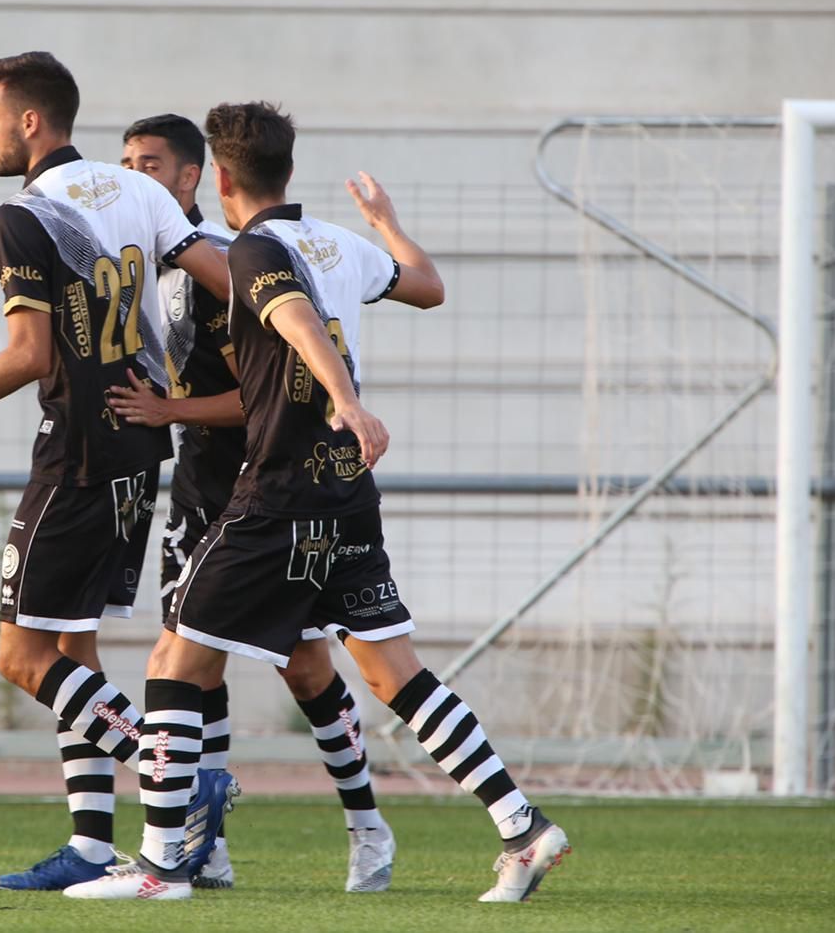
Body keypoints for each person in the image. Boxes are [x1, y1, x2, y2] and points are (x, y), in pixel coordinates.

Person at [67, 102, 568, 904]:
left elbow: (294, 317)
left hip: (281, 491)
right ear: (288, 171)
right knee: (392, 671)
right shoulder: (339, 240)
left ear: (219, 179)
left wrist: (346, 399)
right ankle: (523, 825)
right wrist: (389, 222)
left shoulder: (254, 248)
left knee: (174, 661)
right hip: (347, 494)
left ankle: (162, 868)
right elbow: (429, 288)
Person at [0, 52, 249, 891]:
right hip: (137, 454)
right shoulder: (140, 191)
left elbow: (28, 354)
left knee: (20, 654)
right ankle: (88, 845)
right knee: (74, 647)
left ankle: (174, 780)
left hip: (75, 455)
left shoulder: (26, 215)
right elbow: (234, 283)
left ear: (30, 122)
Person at [114, 113, 395, 893]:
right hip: (202, 486)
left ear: (195, 177)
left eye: (153, 164)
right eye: (127, 162)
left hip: (272, 485)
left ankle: (367, 825)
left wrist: (170, 412)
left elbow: (265, 391)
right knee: (192, 665)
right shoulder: (151, 262)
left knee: (307, 667)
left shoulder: (230, 261)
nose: (137, 176)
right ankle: (206, 845)